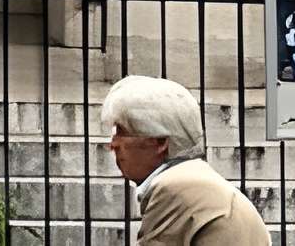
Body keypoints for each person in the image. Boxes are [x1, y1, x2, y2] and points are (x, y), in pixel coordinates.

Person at [100, 75, 269, 245]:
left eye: (122, 132)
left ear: (160, 142)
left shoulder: (174, 187)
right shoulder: (194, 178)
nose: (113, 144)